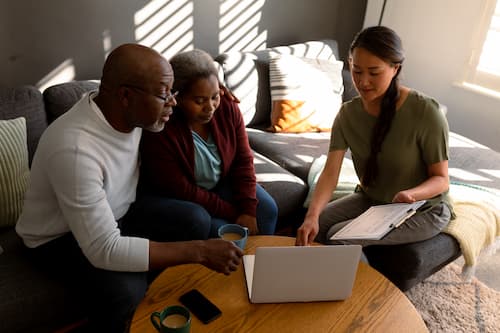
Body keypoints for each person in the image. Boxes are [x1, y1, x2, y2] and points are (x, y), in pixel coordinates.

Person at [15, 44, 243, 333]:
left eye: (173, 93)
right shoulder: (74, 149)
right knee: (127, 288)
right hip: (58, 237)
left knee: (195, 219)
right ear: (125, 96)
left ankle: (168, 303)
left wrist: (213, 84)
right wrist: (199, 251)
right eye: (165, 95)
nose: (172, 103)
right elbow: (104, 248)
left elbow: (153, 74)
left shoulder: (128, 108)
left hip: (120, 211)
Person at [296, 26, 454, 251]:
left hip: (424, 208)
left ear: (395, 69)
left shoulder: (426, 112)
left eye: (374, 72)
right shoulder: (348, 114)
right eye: (357, 71)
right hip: (373, 200)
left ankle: (364, 287)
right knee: (316, 225)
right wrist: (312, 215)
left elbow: (441, 179)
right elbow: (331, 172)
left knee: (339, 239)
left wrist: (410, 194)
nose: (363, 82)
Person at [134, 49, 278, 241]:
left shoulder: (227, 106)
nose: (210, 107)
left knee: (267, 210)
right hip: (177, 196)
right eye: (199, 100)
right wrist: (235, 212)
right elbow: (182, 190)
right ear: (176, 97)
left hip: (218, 184)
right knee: (220, 230)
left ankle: (258, 264)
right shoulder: (162, 126)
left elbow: (243, 160)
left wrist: (248, 210)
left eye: (214, 96)